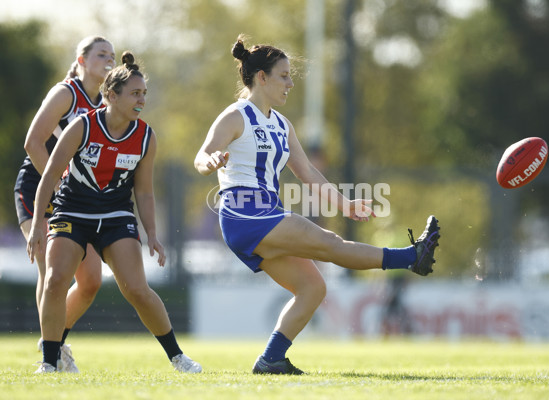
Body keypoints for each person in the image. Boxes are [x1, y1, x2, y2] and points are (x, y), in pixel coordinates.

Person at [194, 35, 441, 375]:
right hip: (244, 213)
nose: (290, 83)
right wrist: (210, 162)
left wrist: (344, 204)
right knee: (330, 245)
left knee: (313, 288)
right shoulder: (236, 115)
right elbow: (201, 154)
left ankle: (271, 360)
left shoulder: (282, 125)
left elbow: (308, 172)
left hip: (265, 214)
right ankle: (411, 257)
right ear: (261, 78)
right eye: (283, 75)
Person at [27, 51, 202, 374]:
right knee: (54, 281)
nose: (142, 100)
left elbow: (145, 192)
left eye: (144, 94)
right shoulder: (82, 126)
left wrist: (152, 234)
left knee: (137, 289)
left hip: (115, 216)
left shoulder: (146, 137)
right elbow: (51, 175)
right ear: (111, 95)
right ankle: (49, 363)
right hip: (72, 212)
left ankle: (178, 357)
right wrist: (38, 223)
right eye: (135, 93)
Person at [14, 36, 116, 373]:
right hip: (37, 187)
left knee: (90, 281)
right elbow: (33, 142)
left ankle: (53, 342)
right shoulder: (66, 93)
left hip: (71, 194)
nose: (108, 60)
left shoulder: (105, 104)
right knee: (51, 270)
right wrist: (57, 185)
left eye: (112, 56)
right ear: (82, 60)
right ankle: (51, 356)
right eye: (101, 54)